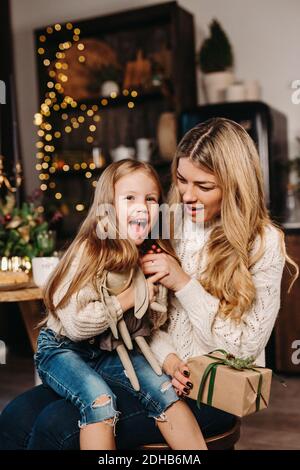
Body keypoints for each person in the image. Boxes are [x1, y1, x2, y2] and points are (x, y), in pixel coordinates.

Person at [1, 118, 295, 450]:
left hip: (209, 389)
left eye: (204, 186)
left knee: (57, 426)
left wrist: (184, 284)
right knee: (15, 417)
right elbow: (148, 320)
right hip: (150, 366)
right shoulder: (167, 220)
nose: (187, 195)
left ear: (235, 185)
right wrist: (168, 358)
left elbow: (243, 347)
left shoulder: (263, 242)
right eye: (182, 180)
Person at [31, 159, 208, 451]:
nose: (142, 208)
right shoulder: (88, 251)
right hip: (64, 348)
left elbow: (149, 329)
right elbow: (77, 325)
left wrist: (171, 360)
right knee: (99, 400)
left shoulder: (151, 258)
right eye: (129, 198)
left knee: (165, 389)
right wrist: (128, 298)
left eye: (150, 199)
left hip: (113, 350)